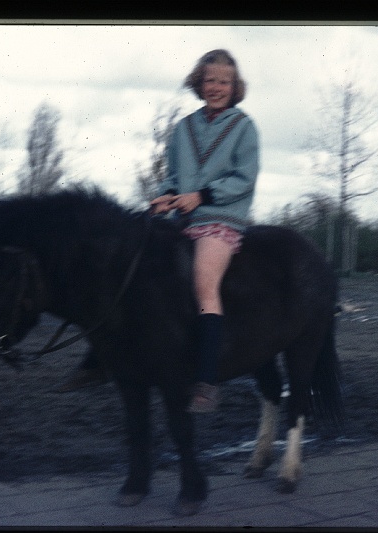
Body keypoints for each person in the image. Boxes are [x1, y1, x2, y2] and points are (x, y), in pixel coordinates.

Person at [150, 49, 259, 413]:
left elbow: (244, 180)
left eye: (224, 82)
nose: (216, 87)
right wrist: (166, 196)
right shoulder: (183, 128)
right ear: (199, 83)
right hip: (181, 218)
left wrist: (200, 196)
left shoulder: (244, 127)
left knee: (203, 283)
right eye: (210, 80)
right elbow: (172, 177)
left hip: (221, 217)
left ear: (235, 86)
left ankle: (207, 382)